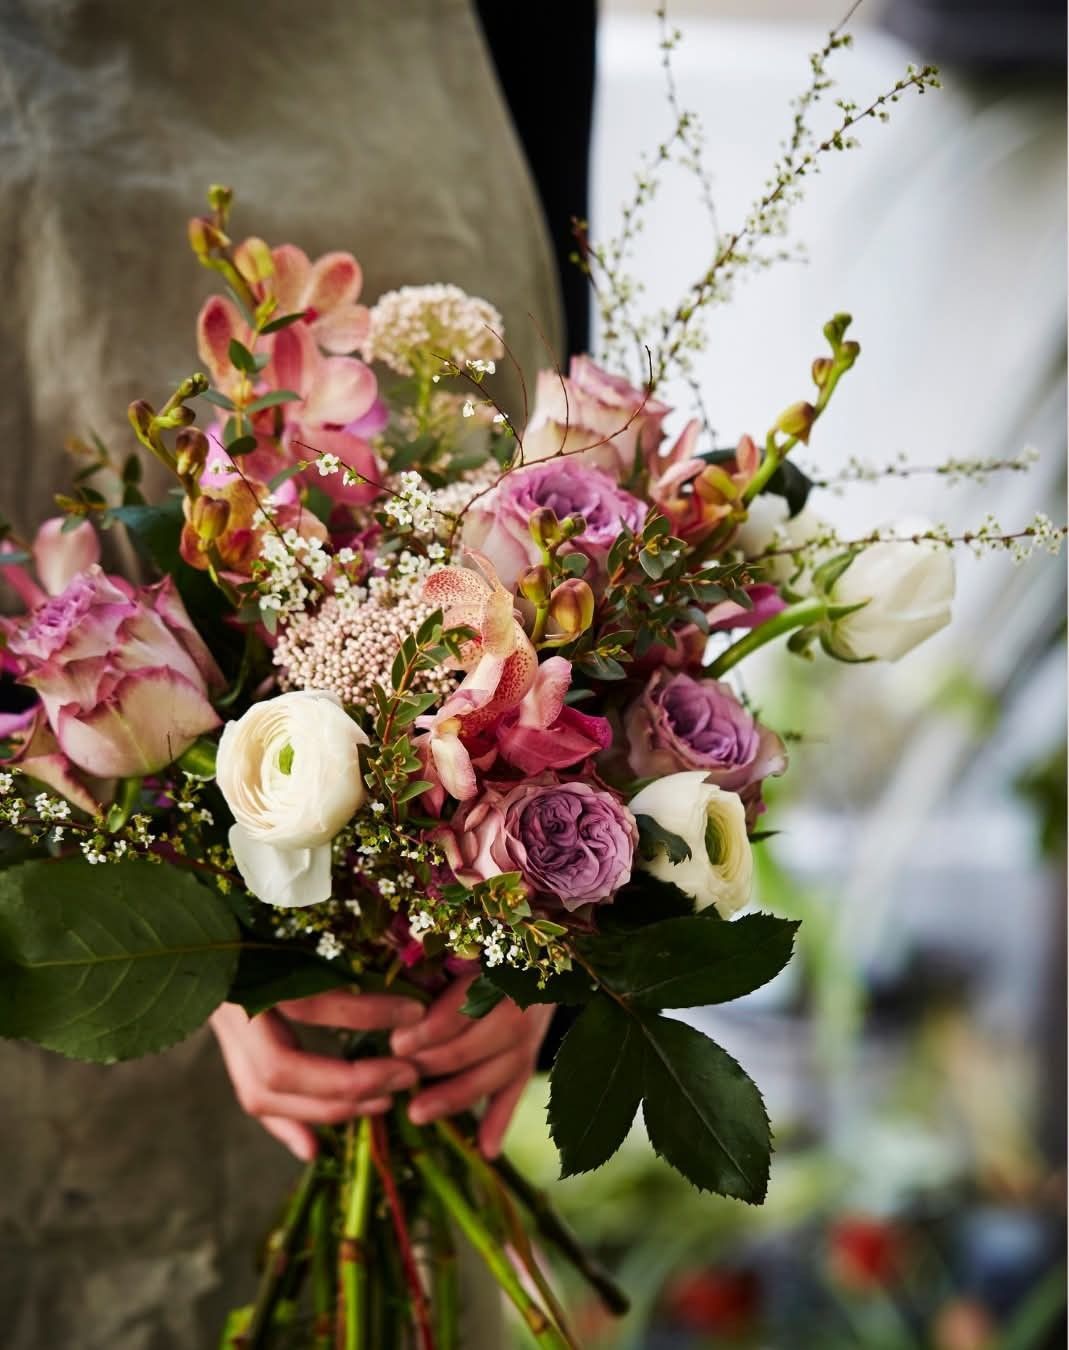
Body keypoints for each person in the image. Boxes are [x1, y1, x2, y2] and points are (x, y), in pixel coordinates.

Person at [0, 2, 594, 1344]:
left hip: (422, 1009)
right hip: (64, 971)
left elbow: (562, 478)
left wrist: (545, 935)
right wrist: (193, 926)